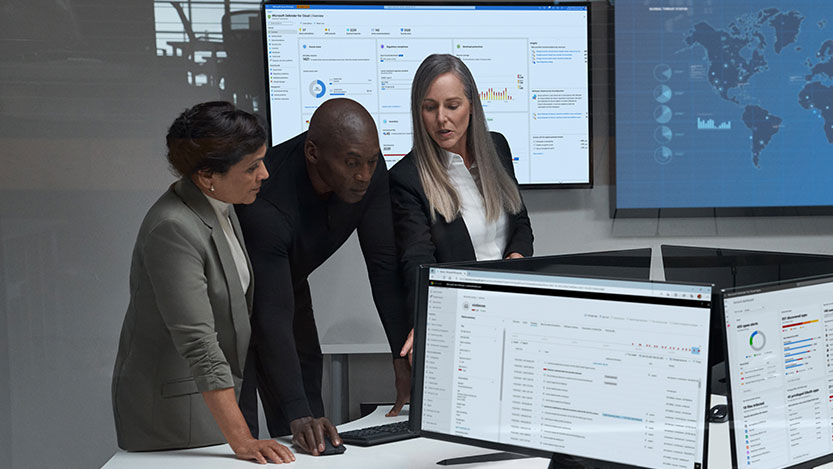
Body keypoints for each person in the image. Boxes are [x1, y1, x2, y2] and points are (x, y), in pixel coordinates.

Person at [111, 101, 294, 464]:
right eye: (252, 166)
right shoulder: (173, 228)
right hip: (176, 415)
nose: (265, 175)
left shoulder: (218, 205)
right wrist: (244, 439)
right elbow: (198, 342)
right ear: (208, 175)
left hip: (206, 405)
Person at [235, 98, 412, 455]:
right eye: (351, 163)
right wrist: (297, 412)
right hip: (234, 304)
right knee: (246, 434)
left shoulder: (370, 174)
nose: (364, 174)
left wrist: (399, 359)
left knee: (315, 431)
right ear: (313, 152)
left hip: (290, 287)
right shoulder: (266, 198)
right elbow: (270, 315)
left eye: (371, 161)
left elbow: (382, 265)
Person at [390, 54, 534, 360]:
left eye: (452, 106)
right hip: (461, 322)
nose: (442, 118)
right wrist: (423, 320)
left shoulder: (497, 148)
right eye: (430, 107)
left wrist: (515, 261)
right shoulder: (407, 178)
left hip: (513, 310)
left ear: (472, 105)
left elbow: (520, 223)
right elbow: (417, 260)